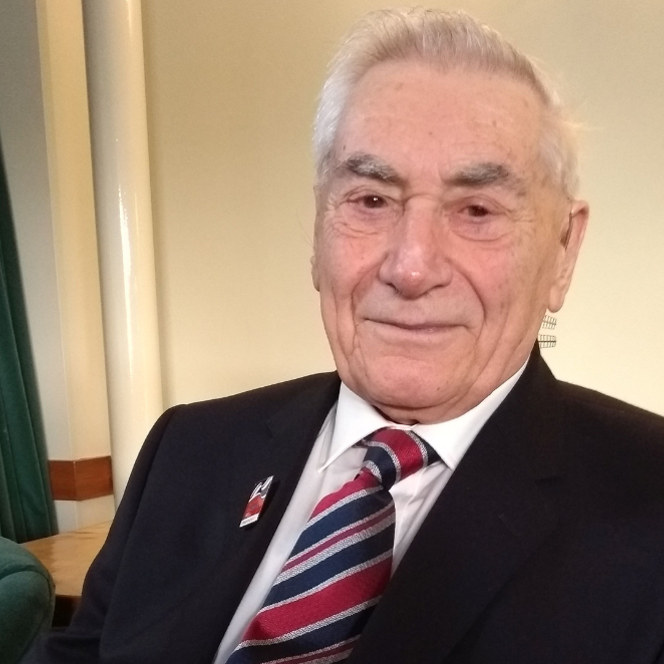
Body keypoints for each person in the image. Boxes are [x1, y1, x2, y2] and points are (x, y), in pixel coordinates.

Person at [25, 8, 664, 664]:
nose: (411, 267)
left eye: (476, 210)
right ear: (318, 229)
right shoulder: (186, 450)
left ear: (563, 250)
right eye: (371, 201)